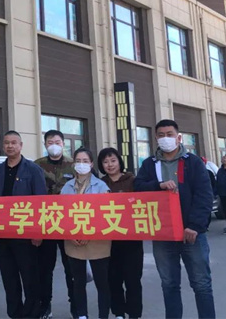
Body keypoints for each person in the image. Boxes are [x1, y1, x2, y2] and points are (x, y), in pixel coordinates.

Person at [134, 119, 215, 319]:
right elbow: (138, 187)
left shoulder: (192, 162)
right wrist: (158, 185)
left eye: (169, 134)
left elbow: (204, 195)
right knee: (169, 284)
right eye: (161, 135)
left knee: (201, 284)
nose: (165, 138)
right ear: (156, 138)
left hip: (192, 234)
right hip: (164, 235)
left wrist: (195, 225)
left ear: (178, 137)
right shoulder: (149, 164)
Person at [0, 131, 46, 319]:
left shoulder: (33, 169)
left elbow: (41, 202)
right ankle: (15, 314)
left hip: (26, 232)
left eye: (14, 142)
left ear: (21, 145)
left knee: (30, 278)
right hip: (4, 233)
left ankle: (32, 314)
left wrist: (38, 231)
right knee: (9, 278)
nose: (10, 146)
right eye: (6, 143)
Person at [61, 148, 111, 319]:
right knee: (78, 282)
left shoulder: (102, 186)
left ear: (91, 164)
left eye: (85, 161)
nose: (81, 164)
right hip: (73, 241)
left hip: (98, 241)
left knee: (102, 283)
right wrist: (70, 234)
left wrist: (89, 233)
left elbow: (106, 215)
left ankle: (103, 315)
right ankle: (82, 315)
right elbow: (61, 214)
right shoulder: (67, 187)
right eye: (78, 161)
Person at [34, 130, 76, 319]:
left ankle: (76, 307)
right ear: (45, 145)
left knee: (72, 268)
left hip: (69, 224)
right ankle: (45, 307)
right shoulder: (36, 166)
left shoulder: (74, 165)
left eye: (57, 142)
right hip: (46, 223)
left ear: (63, 144)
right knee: (44, 269)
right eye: (50, 142)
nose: (54, 145)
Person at [98, 147, 143, 319]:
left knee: (133, 279)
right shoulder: (100, 184)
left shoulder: (133, 180)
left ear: (119, 161)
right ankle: (118, 313)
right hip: (109, 240)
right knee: (113, 279)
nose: (110, 165)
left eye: (113, 160)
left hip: (131, 238)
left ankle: (134, 313)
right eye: (105, 162)